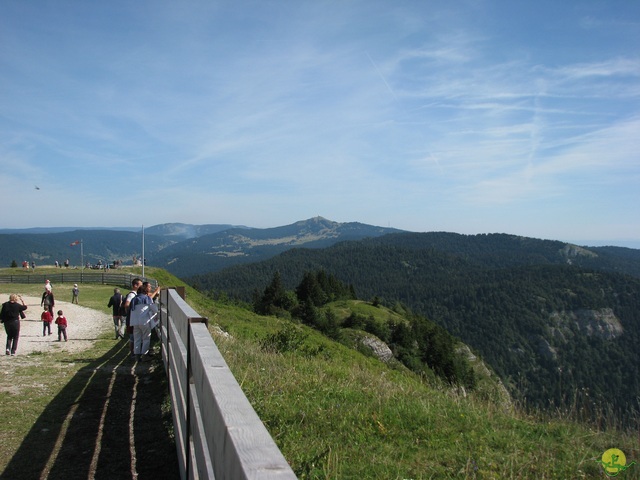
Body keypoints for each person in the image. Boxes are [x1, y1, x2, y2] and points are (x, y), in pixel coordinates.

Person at [129, 281, 161, 362]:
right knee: (146, 338)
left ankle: (137, 356)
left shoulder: (133, 300)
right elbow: (155, 309)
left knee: (137, 339)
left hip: (135, 322)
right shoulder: (147, 299)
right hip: (145, 322)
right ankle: (144, 355)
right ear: (145, 292)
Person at [123, 278, 143, 357]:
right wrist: (134, 309)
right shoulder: (132, 294)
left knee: (134, 337)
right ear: (135, 285)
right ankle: (132, 353)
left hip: (133, 319)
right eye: (140, 285)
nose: (142, 287)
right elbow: (127, 304)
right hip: (132, 319)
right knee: (132, 337)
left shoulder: (135, 294)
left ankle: (134, 352)